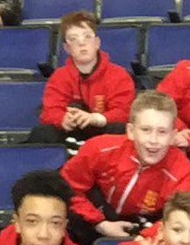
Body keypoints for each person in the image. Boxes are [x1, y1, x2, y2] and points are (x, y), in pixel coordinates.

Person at [60, 90, 190, 245]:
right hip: (94, 219)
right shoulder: (99, 148)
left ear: (173, 136)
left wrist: (143, 237)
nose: (153, 141)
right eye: (146, 130)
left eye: (162, 132)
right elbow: (66, 187)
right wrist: (99, 223)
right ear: (131, 131)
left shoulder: (182, 172)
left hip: (143, 232)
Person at [28, 9, 135, 149]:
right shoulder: (59, 77)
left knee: (121, 129)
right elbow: (49, 111)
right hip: (71, 131)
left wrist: (96, 118)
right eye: (73, 39)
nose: (81, 43)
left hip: (103, 131)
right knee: (41, 133)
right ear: (67, 48)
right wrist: (63, 119)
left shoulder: (119, 75)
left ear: (97, 42)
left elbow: (124, 111)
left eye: (87, 37)